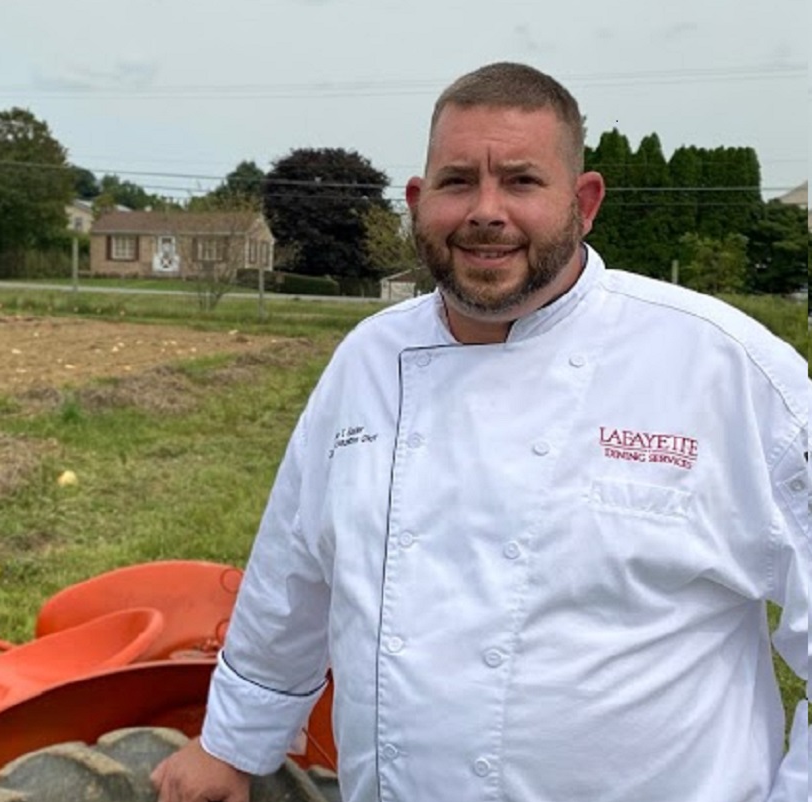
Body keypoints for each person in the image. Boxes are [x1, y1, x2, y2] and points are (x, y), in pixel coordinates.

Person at [151, 62, 810, 802]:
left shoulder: (725, 368)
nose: (485, 211)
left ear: (583, 202)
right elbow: (292, 577)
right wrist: (232, 747)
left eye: (523, 181)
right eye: (458, 181)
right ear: (417, 201)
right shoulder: (369, 361)